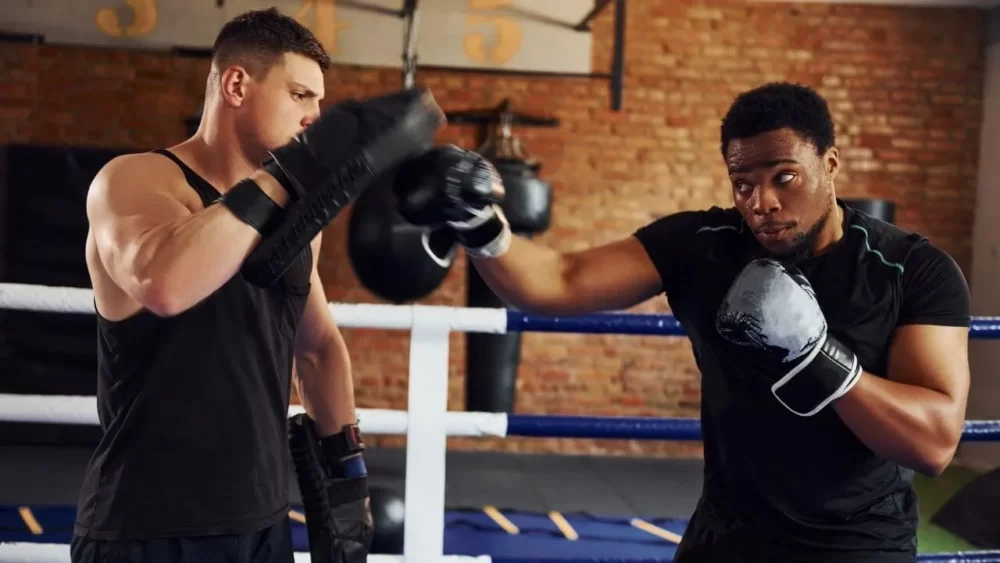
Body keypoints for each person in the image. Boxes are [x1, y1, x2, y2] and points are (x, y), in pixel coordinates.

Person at [392, 82, 972, 562]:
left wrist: (818, 356)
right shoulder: (705, 246)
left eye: (784, 177)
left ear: (830, 163)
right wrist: (481, 227)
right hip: (725, 540)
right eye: (743, 183)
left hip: (858, 547)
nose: (761, 201)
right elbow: (558, 279)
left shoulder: (911, 270)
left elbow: (935, 441)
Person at [74, 7, 444, 563]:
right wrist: (291, 173)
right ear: (237, 84)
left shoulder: (295, 218)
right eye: (300, 95)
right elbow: (165, 283)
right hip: (145, 527)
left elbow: (318, 350)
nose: (314, 117)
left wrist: (345, 490)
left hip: (263, 524)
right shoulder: (134, 181)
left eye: (321, 103)